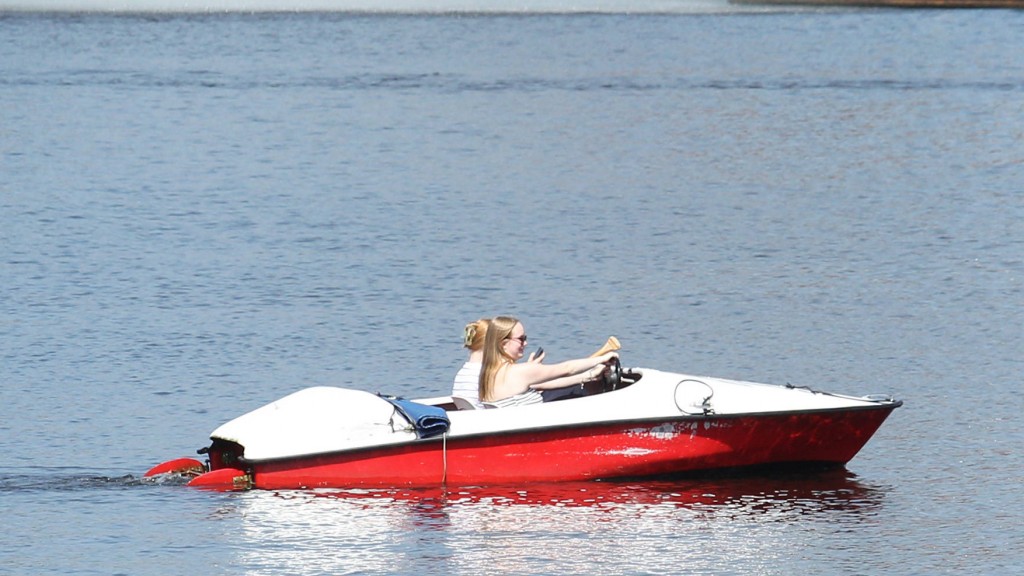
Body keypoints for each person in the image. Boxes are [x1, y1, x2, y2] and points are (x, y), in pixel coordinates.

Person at [479, 316, 617, 408]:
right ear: (503, 344)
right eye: (521, 339)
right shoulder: (519, 371)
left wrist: (589, 376)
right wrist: (603, 358)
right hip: (532, 428)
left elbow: (543, 384)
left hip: (520, 424)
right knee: (577, 392)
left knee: (573, 388)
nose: (525, 343)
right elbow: (567, 368)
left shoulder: (489, 373)